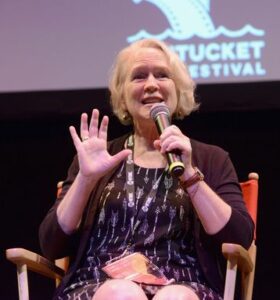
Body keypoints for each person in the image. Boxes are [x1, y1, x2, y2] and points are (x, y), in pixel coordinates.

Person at [39, 38, 254, 300]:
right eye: (139, 77)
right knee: (121, 293)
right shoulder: (99, 158)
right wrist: (86, 179)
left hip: (185, 285)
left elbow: (240, 237)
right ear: (122, 95)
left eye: (162, 75)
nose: (152, 84)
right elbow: (51, 244)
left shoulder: (211, 159)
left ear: (178, 89)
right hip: (98, 284)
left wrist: (190, 176)